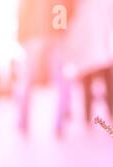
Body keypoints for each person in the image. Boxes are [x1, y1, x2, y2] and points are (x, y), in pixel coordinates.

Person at [64, 0, 113, 124]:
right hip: (101, 50)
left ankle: (89, 116)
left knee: (90, 84)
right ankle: (109, 113)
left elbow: (75, 26)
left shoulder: (82, 5)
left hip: (92, 50)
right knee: (107, 82)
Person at [16, 0, 75, 136]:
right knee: (61, 80)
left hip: (34, 34)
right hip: (55, 33)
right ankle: (59, 124)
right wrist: (63, 27)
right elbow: (69, 6)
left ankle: (23, 122)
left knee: (27, 80)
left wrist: (21, 35)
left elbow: (23, 9)